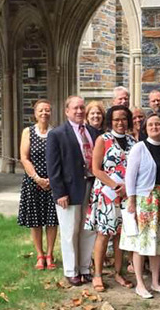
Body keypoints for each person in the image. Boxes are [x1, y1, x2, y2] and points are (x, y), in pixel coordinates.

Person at [121, 112, 160, 299]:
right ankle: (140, 284)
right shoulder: (139, 148)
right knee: (141, 244)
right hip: (145, 201)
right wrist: (131, 200)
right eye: (150, 124)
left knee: (158, 243)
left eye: (158, 124)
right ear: (145, 128)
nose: (154, 127)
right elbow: (130, 176)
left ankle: (155, 282)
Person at [46, 96, 100, 286]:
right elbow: (53, 167)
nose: (79, 111)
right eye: (75, 108)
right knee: (70, 231)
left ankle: (85, 268)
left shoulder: (93, 132)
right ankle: (71, 270)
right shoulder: (57, 134)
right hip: (68, 190)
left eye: (81, 107)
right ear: (67, 111)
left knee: (88, 229)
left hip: (92, 187)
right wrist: (59, 192)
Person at [84, 105, 136, 292]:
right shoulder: (103, 140)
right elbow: (95, 169)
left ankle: (118, 272)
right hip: (107, 193)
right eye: (116, 119)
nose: (120, 122)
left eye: (123, 118)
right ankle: (97, 274)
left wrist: (127, 188)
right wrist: (115, 186)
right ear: (110, 121)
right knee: (104, 234)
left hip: (126, 195)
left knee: (121, 235)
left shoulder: (133, 141)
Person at [18, 99, 58, 271]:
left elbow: (59, 159)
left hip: (52, 183)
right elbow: (24, 158)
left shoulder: (55, 133)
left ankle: (50, 255)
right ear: (35, 114)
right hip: (33, 182)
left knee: (51, 220)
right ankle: (39, 255)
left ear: (51, 113)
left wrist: (51, 180)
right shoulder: (28, 132)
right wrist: (37, 178)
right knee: (35, 221)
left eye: (47, 110)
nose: (44, 113)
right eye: (41, 110)